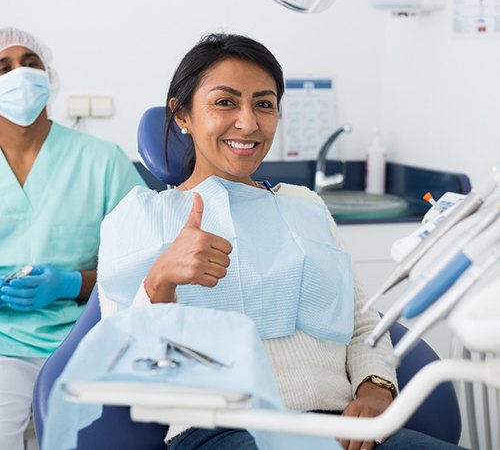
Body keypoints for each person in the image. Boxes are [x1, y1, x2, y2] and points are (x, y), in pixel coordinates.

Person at [97, 33, 465, 450]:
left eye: (264, 104)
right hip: (221, 432)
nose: (249, 122)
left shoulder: (304, 205)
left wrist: (376, 389)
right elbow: (122, 364)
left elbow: (363, 323)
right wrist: (159, 281)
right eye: (225, 102)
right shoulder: (138, 218)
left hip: (342, 430)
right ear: (182, 116)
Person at [0, 27, 146, 450]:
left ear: (49, 76)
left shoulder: (102, 161)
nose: (19, 75)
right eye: (3, 67)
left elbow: (145, 263)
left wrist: (72, 283)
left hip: (83, 336)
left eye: (31, 63)